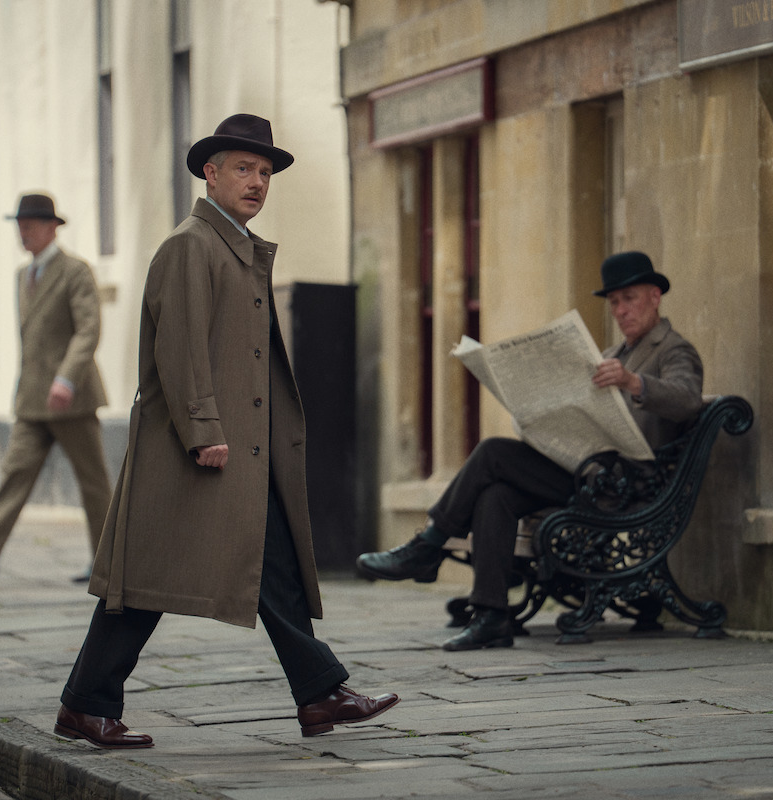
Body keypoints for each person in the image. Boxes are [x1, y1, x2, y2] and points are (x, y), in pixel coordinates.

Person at [53, 114, 398, 749]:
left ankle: (318, 694)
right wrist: (204, 431)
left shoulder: (233, 246)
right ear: (210, 174)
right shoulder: (193, 244)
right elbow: (181, 352)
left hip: (241, 447)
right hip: (199, 448)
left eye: (265, 172)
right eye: (244, 168)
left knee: (271, 566)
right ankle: (85, 704)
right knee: (144, 582)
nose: (258, 182)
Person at [356, 251, 705, 652]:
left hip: (625, 483)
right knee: (496, 494)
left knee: (492, 455)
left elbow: (688, 400)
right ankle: (491, 618)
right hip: (584, 471)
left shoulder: (674, 349)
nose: (621, 310)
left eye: (630, 298)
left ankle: (428, 546)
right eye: (614, 302)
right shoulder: (609, 355)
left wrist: (634, 383)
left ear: (655, 296)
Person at [0, 193, 111, 584]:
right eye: (20, 225)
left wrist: (66, 378)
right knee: (15, 472)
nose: (23, 232)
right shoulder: (23, 275)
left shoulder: (75, 272)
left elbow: (88, 330)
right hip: (32, 400)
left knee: (94, 482)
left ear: (52, 228)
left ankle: (110, 563)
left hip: (72, 398)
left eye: (30, 225)